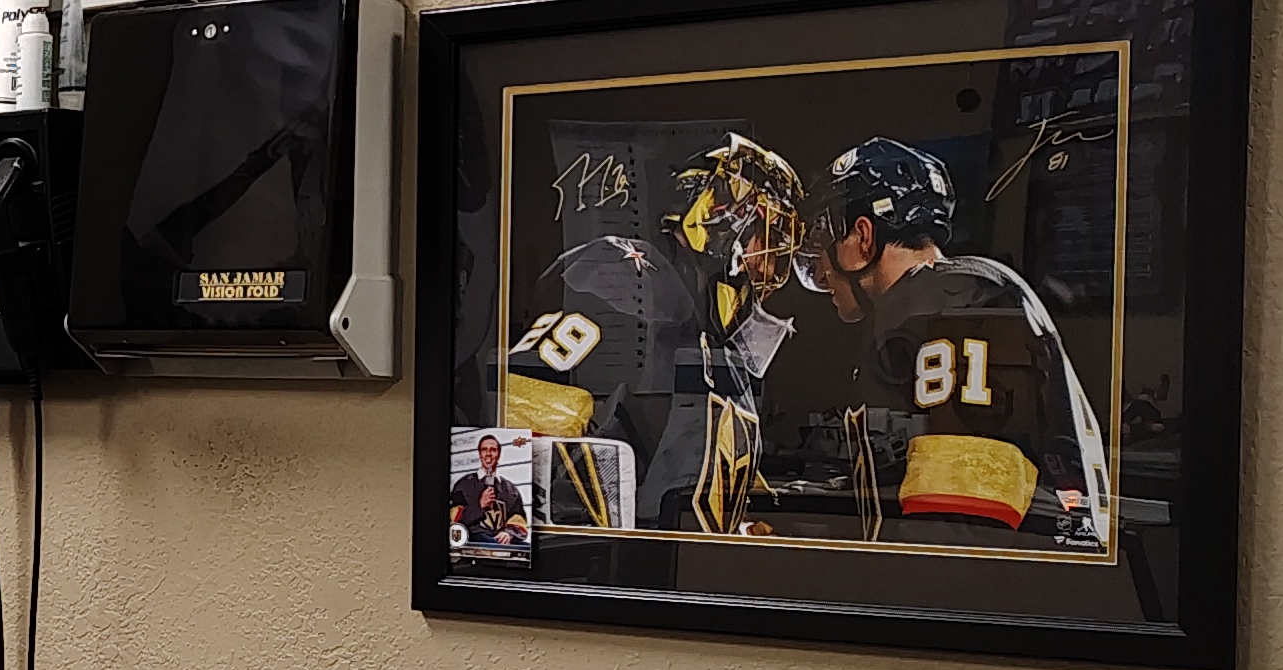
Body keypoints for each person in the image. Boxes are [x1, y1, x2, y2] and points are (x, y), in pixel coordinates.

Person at [791, 138, 1107, 544]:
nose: (820, 270)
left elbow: (962, 521)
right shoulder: (960, 290)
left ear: (863, 235)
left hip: (999, 569)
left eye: (824, 240)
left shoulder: (939, 305)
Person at [501, 134, 808, 533]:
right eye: (767, 231)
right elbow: (523, 417)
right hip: (590, 542)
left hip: (657, 544)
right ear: (718, 212)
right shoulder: (633, 275)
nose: (773, 257)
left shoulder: (709, 321)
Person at [448, 432, 532, 551]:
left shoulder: (510, 490)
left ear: (499, 454)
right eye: (484, 450)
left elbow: (519, 521)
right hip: (474, 539)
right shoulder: (464, 485)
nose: (488, 453)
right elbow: (455, 522)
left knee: (526, 548)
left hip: (501, 542)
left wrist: (508, 533)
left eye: (493, 450)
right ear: (480, 454)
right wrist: (479, 505)